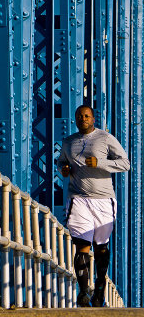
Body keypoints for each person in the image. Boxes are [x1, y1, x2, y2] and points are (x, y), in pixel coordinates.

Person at [57, 105, 130, 307]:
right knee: (81, 247)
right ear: (75, 119)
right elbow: (61, 161)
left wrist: (100, 163)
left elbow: (125, 164)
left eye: (87, 116)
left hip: (104, 200)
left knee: (101, 248)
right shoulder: (68, 142)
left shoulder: (105, 138)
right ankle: (83, 292)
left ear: (93, 119)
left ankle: (99, 290)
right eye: (79, 116)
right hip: (78, 198)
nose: (83, 119)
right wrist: (63, 168)